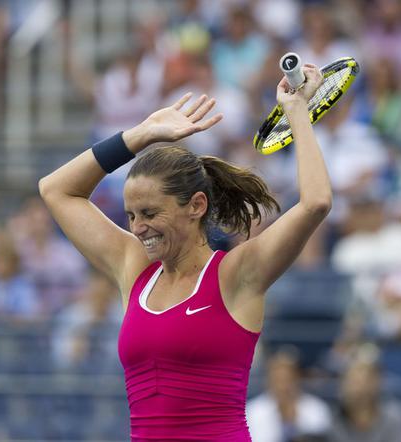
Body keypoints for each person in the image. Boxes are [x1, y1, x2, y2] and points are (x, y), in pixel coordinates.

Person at [39, 63, 330, 440]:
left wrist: (297, 113)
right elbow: (55, 189)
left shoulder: (237, 274)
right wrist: (141, 134)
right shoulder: (134, 268)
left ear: (195, 205)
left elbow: (316, 203)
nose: (137, 227)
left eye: (149, 213)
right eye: (130, 215)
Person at [247, 348, 332, 442]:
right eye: (278, 379)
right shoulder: (252, 412)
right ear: (268, 380)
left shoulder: (317, 409)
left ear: (298, 378)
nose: (283, 386)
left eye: (288, 378)